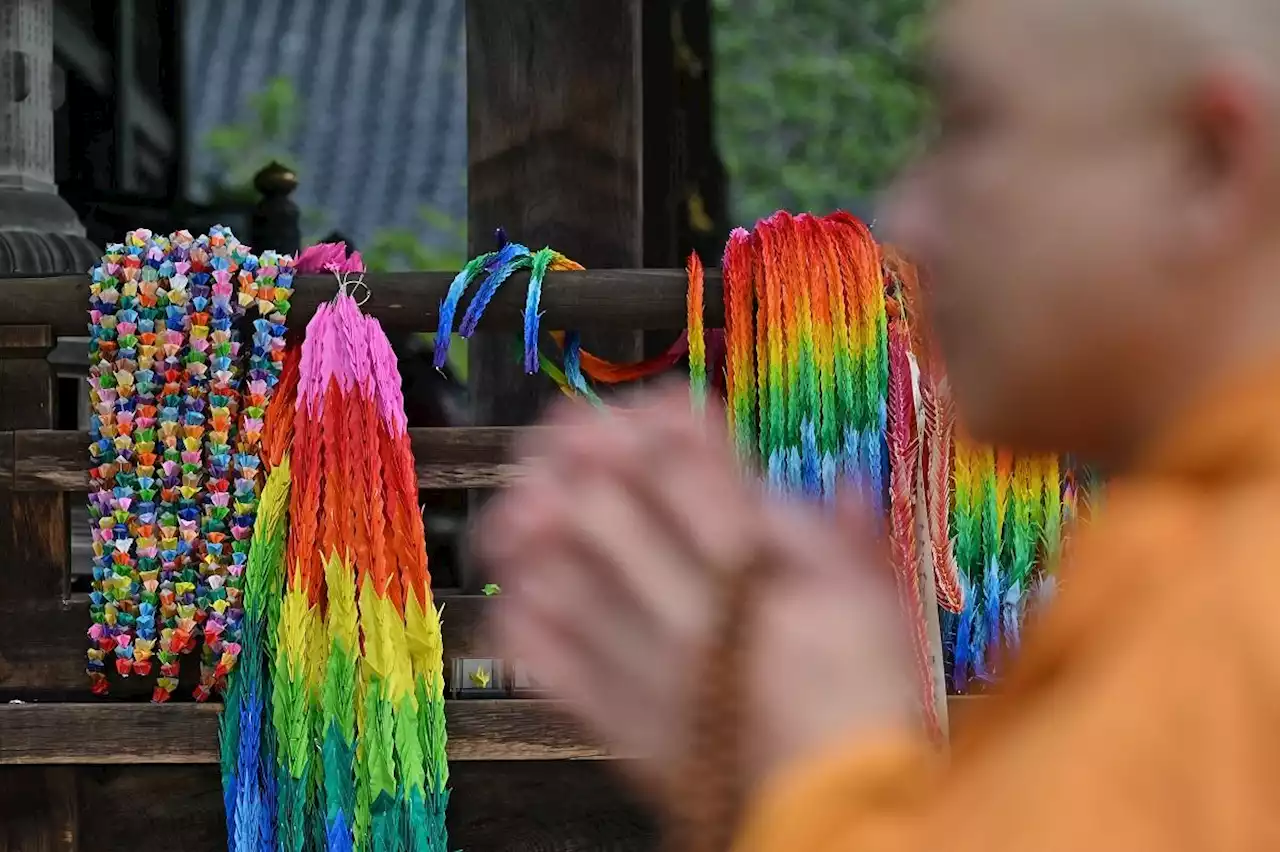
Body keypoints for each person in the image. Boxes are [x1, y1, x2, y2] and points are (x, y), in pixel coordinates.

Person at [473, 0, 1280, 847]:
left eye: (972, 125)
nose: (908, 219)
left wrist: (814, 773)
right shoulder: (1175, 579)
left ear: (1211, 164)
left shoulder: (1235, 630)